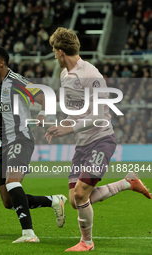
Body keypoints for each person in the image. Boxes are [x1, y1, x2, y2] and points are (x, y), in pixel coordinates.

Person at [46, 27, 151, 252]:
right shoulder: (65, 75)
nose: (54, 56)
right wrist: (61, 126)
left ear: (61, 51)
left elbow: (97, 116)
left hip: (101, 139)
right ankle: (127, 182)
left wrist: (69, 129)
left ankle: (87, 242)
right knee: (75, 200)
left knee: (82, 193)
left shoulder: (91, 75)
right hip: (82, 143)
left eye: (54, 51)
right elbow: (74, 111)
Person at [0, 45, 67, 243]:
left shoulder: (16, 82)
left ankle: (29, 234)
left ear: (1, 62)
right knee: (8, 201)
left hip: (20, 139)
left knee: (13, 182)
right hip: (2, 145)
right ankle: (54, 200)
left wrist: (42, 114)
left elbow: (44, 97)